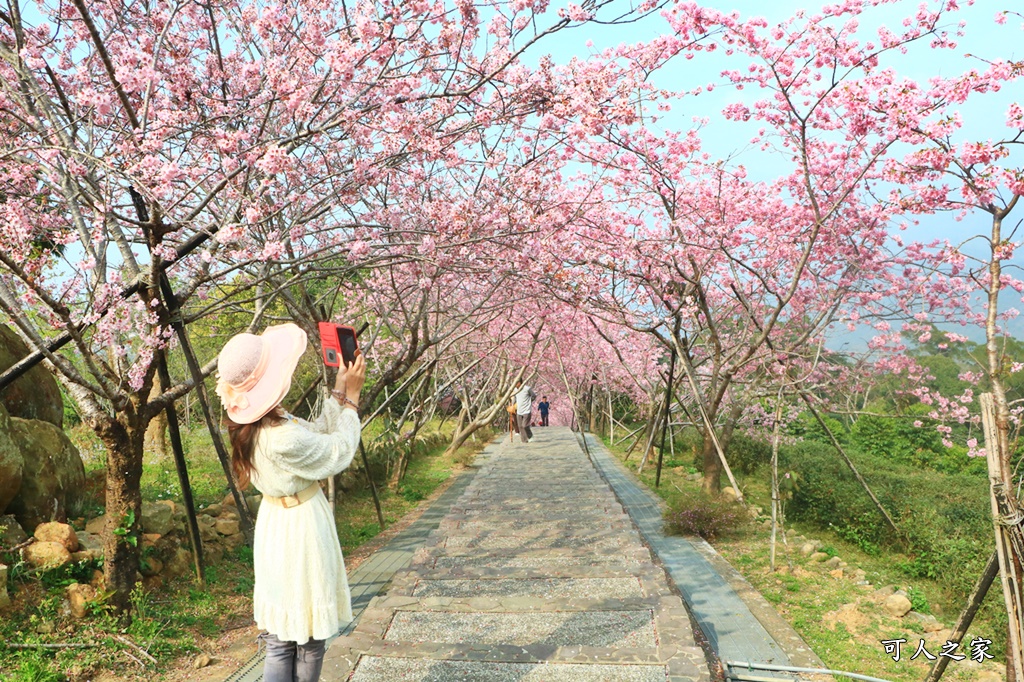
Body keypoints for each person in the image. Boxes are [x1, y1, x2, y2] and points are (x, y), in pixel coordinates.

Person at [216, 323, 366, 682]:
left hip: (276, 525)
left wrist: (340, 392)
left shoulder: (257, 424)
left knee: (281, 637)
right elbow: (336, 450)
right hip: (301, 531)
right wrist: (354, 401)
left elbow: (313, 434)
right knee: (309, 637)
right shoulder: (280, 436)